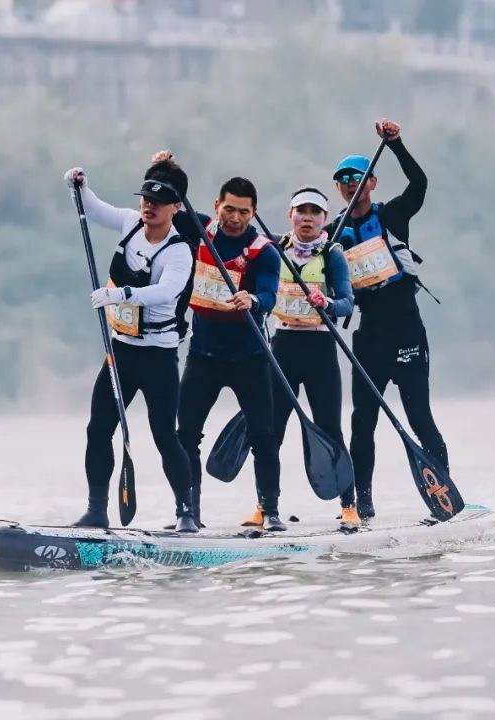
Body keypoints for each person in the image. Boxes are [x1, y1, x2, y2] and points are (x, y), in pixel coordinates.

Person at [63, 158, 198, 533]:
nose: (149, 205)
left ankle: (185, 514)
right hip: (120, 352)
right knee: (98, 429)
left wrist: (121, 294)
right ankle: (95, 511)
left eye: (159, 201)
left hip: (158, 357)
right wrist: (78, 184)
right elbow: (93, 209)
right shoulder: (129, 222)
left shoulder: (179, 251)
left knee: (164, 437)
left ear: (176, 207)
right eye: (145, 198)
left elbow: (166, 292)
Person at [327, 118, 449, 520]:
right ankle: (362, 504)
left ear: (372, 183)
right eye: (343, 180)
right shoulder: (333, 234)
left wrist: (396, 145)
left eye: (357, 178)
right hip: (369, 338)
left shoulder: (393, 215)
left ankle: (444, 495)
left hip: (406, 329)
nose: (350, 185)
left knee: (420, 418)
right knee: (362, 422)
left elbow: (420, 185)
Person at [241, 186, 358, 527]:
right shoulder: (273, 249)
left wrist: (328, 303)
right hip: (283, 348)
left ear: (324, 219)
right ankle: (265, 508)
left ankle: (348, 506)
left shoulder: (332, 255)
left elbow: (347, 303)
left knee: (330, 429)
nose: (307, 219)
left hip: (320, 349)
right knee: (270, 432)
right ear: (290, 216)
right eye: (301, 212)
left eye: (315, 213)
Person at [174, 177, 286, 531]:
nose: (235, 218)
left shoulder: (264, 252)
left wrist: (252, 299)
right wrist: (163, 168)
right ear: (217, 205)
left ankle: (270, 511)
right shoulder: (200, 229)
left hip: (250, 359)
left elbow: (269, 294)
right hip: (203, 356)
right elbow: (166, 200)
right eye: (229, 209)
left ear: (253, 213)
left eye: (244, 212)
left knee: (263, 437)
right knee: (185, 435)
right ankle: (188, 514)